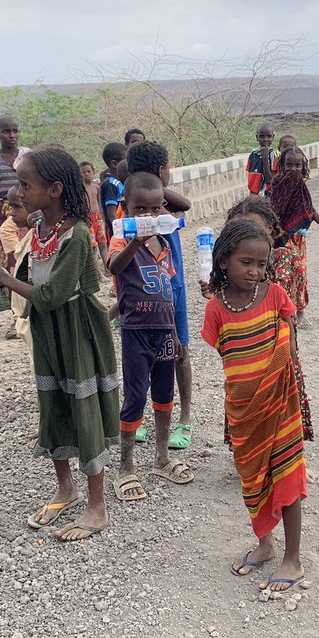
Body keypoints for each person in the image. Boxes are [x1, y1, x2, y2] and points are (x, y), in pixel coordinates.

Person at [0, 148, 122, 541]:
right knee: (52, 402)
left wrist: (3, 278)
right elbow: (32, 274)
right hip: (48, 331)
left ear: (54, 189)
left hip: (77, 331)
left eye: (26, 184)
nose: (18, 192)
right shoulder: (39, 226)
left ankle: (97, 505)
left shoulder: (76, 235)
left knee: (84, 406)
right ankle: (65, 488)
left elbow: (54, 293)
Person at [202, 218, 307, 590]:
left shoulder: (276, 295)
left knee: (288, 477)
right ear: (224, 261)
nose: (255, 271)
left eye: (261, 264)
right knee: (252, 479)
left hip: (280, 406)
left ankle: (292, 559)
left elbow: (288, 342)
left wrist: (274, 380)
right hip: (244, 411)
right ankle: (265, 544)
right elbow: (224, 351)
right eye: (246, 262)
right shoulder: (216, 308)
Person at [106, 171, 194, 500]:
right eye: (140, 210)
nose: (148, 216)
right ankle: (126, 467)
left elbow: (169, 290)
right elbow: (114, 267)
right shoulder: (121, 240)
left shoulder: (164, 243)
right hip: (136, 331)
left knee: (163, 394)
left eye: (155, 209)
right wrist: (135, 241)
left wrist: (176, 335)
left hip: (163, 330)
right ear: (125, 209)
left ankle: (161, 457)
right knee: (134, 397)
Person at [221, 196, 314, 445]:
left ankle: (289, 460)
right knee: (246, 402)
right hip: (244, 354)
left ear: (272, 230)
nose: (248, 235)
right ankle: (251, 458)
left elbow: (284, 306)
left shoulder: (283, 259)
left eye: (255, 228)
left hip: (277, 347)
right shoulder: (228, 267)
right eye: (238, 230)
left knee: (282, 404)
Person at [127, 140, 194, 448]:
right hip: (140, 294)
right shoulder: (132, 209)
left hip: (172, 288)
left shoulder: (163, 206)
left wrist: (153, 182)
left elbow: (186, 204)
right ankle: (140, 418)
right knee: (142, 359)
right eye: (167, 168)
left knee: (179, 353)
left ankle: (185, 419)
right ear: (162, 168)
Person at [268, 145, 319, 325]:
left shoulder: (301, 187)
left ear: (303, 167)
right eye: (289, 165)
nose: (294, 169)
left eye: (298, 166)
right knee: (283, 274)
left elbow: (309, 211)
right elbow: (272, 211)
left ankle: (300, 310)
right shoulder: (277, 185)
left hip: (299, 238)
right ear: (282, 166)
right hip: (281, 238)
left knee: (300, 273)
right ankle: (284, 311)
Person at [0, 115, 29, 258]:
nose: (12, 135)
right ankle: (9, 278)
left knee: (27, 246)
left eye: (15, 131)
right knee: (6, 252)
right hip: (1, 210)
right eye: (6, 131)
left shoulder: (27, 156)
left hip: (24, 207)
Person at [0, 185, 32, 343]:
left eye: (17, 206)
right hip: (17, 257)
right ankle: (18, 318)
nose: (11, 212)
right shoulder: (10, 227)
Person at [80, 161, 110, 269]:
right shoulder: (80, 189)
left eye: (89, 171)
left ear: (93, 172)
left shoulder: (96, 187)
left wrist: (102, 219)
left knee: (103, 243)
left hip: (97, 218)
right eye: (83, 172)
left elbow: (100, 204)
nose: (87, 174)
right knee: (93, 247)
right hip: (87, 219)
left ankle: (107, 268)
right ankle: (97, 273)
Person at [246, 124, 277, 195]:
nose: (265, 139)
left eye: (269, 136)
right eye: (262, 136)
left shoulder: (275, 155)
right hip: (254, 195)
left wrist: (265, 157)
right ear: (257, 137)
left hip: (269, 195)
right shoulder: (253, 154)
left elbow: (271, 180)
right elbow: (251, 177)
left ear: (273, 137)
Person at [100, 142, 127, 220]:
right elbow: (112, 214)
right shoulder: (111, 184)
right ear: (114, 164)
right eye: (126, 160)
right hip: (118, 229)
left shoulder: (122, 182)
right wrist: (118, 230)